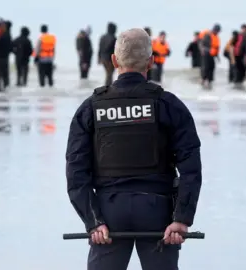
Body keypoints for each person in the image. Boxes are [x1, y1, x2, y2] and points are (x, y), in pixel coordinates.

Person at [66, 28, 202, 270]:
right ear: (150, 62)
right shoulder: (169, 105)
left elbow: (76, 171)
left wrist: (93, 221)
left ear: (114, 61)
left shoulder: (91, 108)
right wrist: (181, 219)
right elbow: (191, 167)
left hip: (108, 212)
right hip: (158, 212)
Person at [199, 24, 221, 89]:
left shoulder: (216, 37)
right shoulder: (208, 35)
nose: (217, 32)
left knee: (212, 67)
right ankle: (203, 80)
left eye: (218, 31)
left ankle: (210, 82)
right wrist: (204, 50)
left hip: (212, 55)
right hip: (206, 54)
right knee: (206, 68)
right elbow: (202, 44)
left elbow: (216, 48)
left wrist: (217, 57)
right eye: (217, 30)